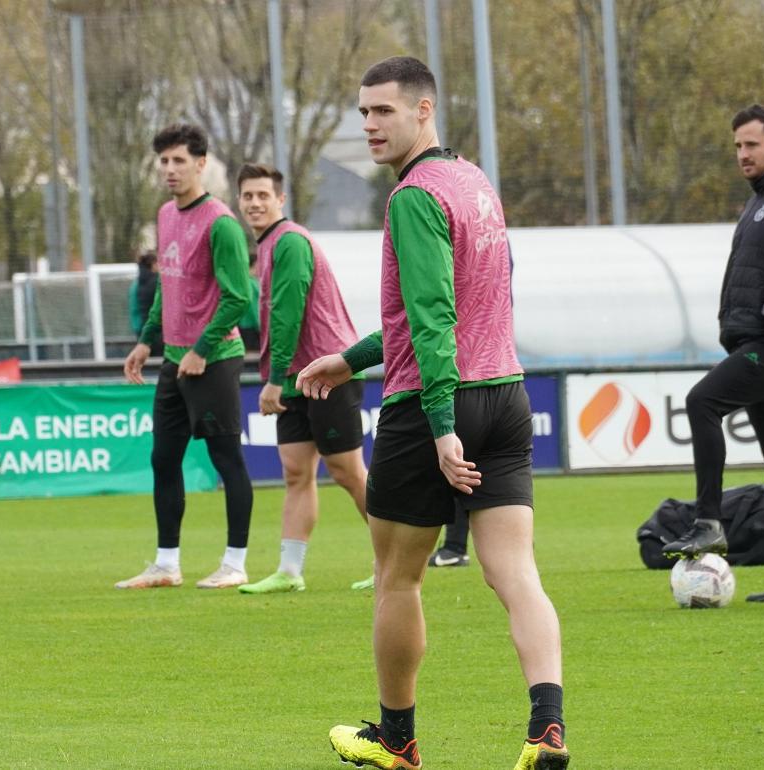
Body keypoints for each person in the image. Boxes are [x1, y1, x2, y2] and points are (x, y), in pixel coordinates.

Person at [298, 56, 569, 770]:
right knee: (516, 572)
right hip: (506, 395)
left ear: (424, 110)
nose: (368, 125)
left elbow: (432, 315)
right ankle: (547, 727)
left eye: (382, 111)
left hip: (431, 405)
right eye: (362, 113)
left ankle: (397, 739)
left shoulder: (414, 196)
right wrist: (350, 358)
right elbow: (472, 300)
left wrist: (443, 425)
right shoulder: (474, 183)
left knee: (398, 577)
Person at [661, 104, 764, 603]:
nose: (742, 155)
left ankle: (708, 521)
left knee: (702, 401)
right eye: (737, 147)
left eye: (751, 145)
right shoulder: (757, 203)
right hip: (756, 343)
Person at [116, 123, 254, 591]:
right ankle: (166, 564)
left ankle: (235, 564)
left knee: (226, 458)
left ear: (201, 164)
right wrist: (146, 341)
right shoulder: (166, 215)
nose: (170, 169)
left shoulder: (221, 223)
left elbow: (239, 299)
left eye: (179, 161)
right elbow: (167, 291)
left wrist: (201, 349)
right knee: (163, 458)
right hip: (175, 360)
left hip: (214, 358)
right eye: (164, 161)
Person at [229, 162, 374, 594]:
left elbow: (288, 314)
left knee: (348, 472)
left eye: (262, 195)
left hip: (328, 371)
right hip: (297, 376)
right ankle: (290, 571)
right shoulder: (270, 244)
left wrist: (272, 379)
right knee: (296, 472)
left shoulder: (290, 242)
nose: (254, 202)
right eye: (247, 195)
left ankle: (398, 559)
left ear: (280, 200)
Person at [128, 251, 162, 356]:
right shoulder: (157, 282)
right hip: (156, 333)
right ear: (154, 264)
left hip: (140, 331)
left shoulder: (135, 284)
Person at [239, 250, 262, 351]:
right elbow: (254, 309)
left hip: (240, 327)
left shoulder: (240, 281)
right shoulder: (253, 284)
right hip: (251, 328)